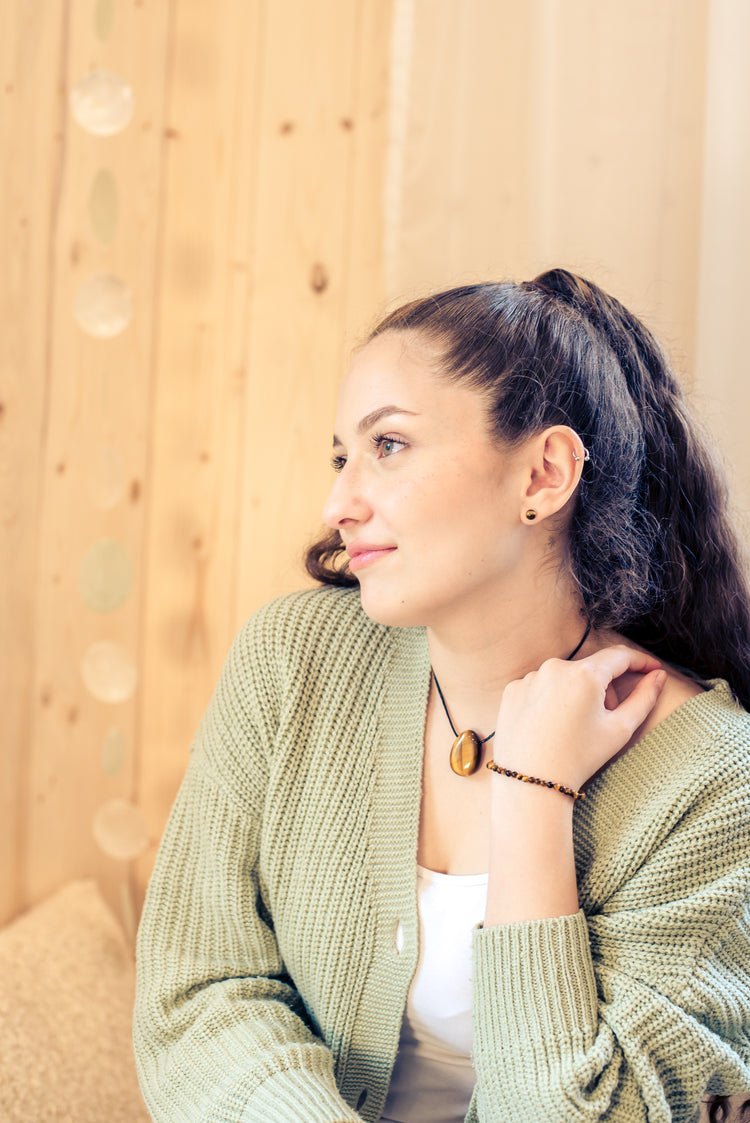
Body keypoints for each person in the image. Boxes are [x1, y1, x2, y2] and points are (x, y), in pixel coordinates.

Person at [133, 269, 750, 1122]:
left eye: (389, 446)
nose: (338, 503)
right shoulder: (292, 658)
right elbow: (197, 991)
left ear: (543, 475)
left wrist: (534, 800)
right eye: (342, 455)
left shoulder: (714, 779)